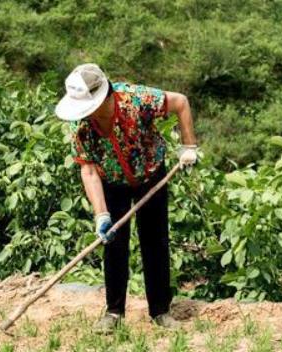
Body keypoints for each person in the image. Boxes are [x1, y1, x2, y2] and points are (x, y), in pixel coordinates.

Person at [54, 63, 198, 333]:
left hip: (151, 175)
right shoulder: (83, 127)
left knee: (155, 241)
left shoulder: (137, 100)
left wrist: (188, 146)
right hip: (112, 182)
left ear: (103, 97)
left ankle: (160, 311)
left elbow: (180, 102)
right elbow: (88, 169)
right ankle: (114, 312)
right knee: (114, 243)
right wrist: (101, 214)